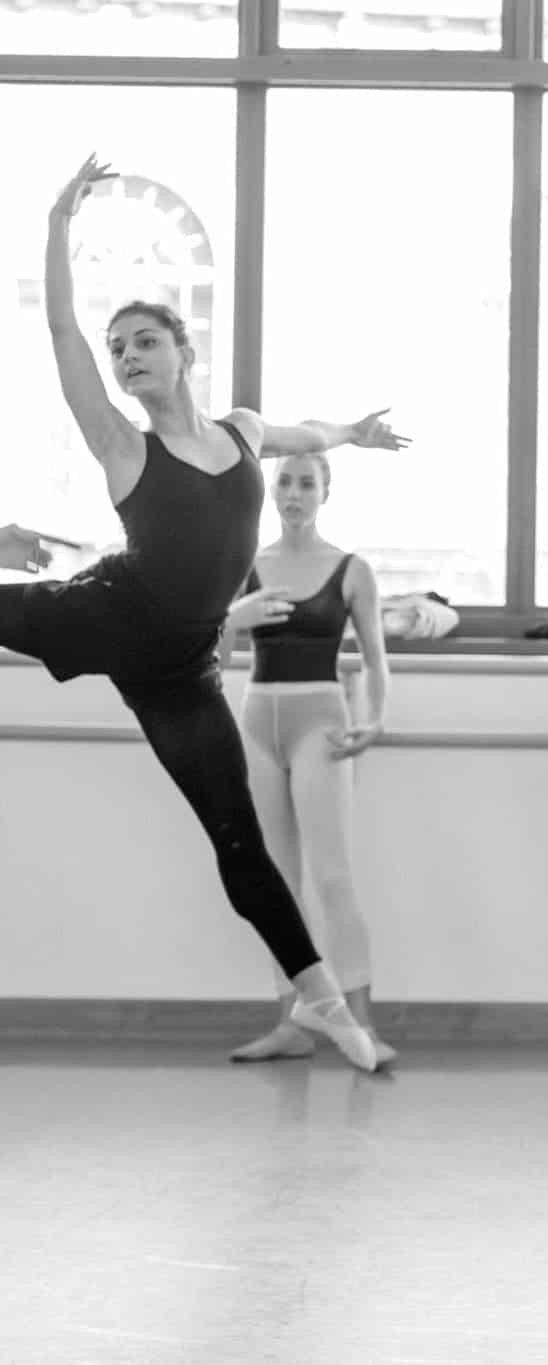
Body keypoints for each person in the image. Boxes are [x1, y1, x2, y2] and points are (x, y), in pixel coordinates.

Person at [1, 156, 408, 1071]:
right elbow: (60, 328)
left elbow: (307, 432)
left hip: (180, 667)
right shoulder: (119, 444)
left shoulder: (242, 432)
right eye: (119, 350)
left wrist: (355, 434)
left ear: (184, 351)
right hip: (104, 613)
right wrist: (58, 222)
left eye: (144, 341)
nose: (127, 357)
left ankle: (323, 1003)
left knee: (238, 840)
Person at [218, 453, 396, 1067]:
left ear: (326, 491)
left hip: (322, 723)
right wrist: (228, 621)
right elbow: (214, 661)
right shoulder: (244, 564)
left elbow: (376, 660)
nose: (293, 494)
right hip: (257, 720)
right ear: (272, 491)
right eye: (284, 482)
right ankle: (292, 1021)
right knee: (276, 880)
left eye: (306, 483)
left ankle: (364, 1023)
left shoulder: (351, 569)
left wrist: (375, 718)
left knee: (331, 875)